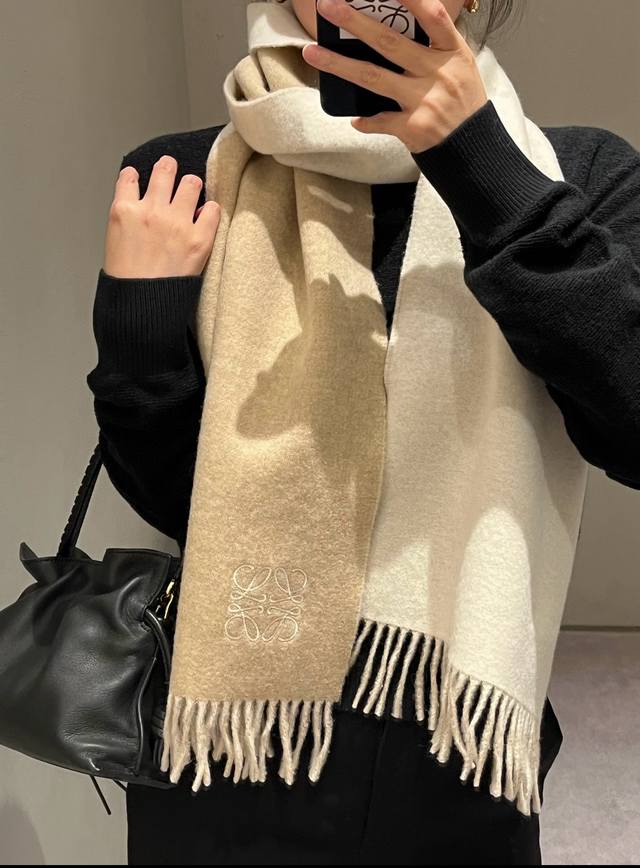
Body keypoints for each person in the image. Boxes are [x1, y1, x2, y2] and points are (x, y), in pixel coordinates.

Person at [86, 0, 640, 864]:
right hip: (231, 736)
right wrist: (137, 316)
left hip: (452, 739)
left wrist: (480, 164)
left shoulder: (575, 174)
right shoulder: (185, 178)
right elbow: (170, 495)